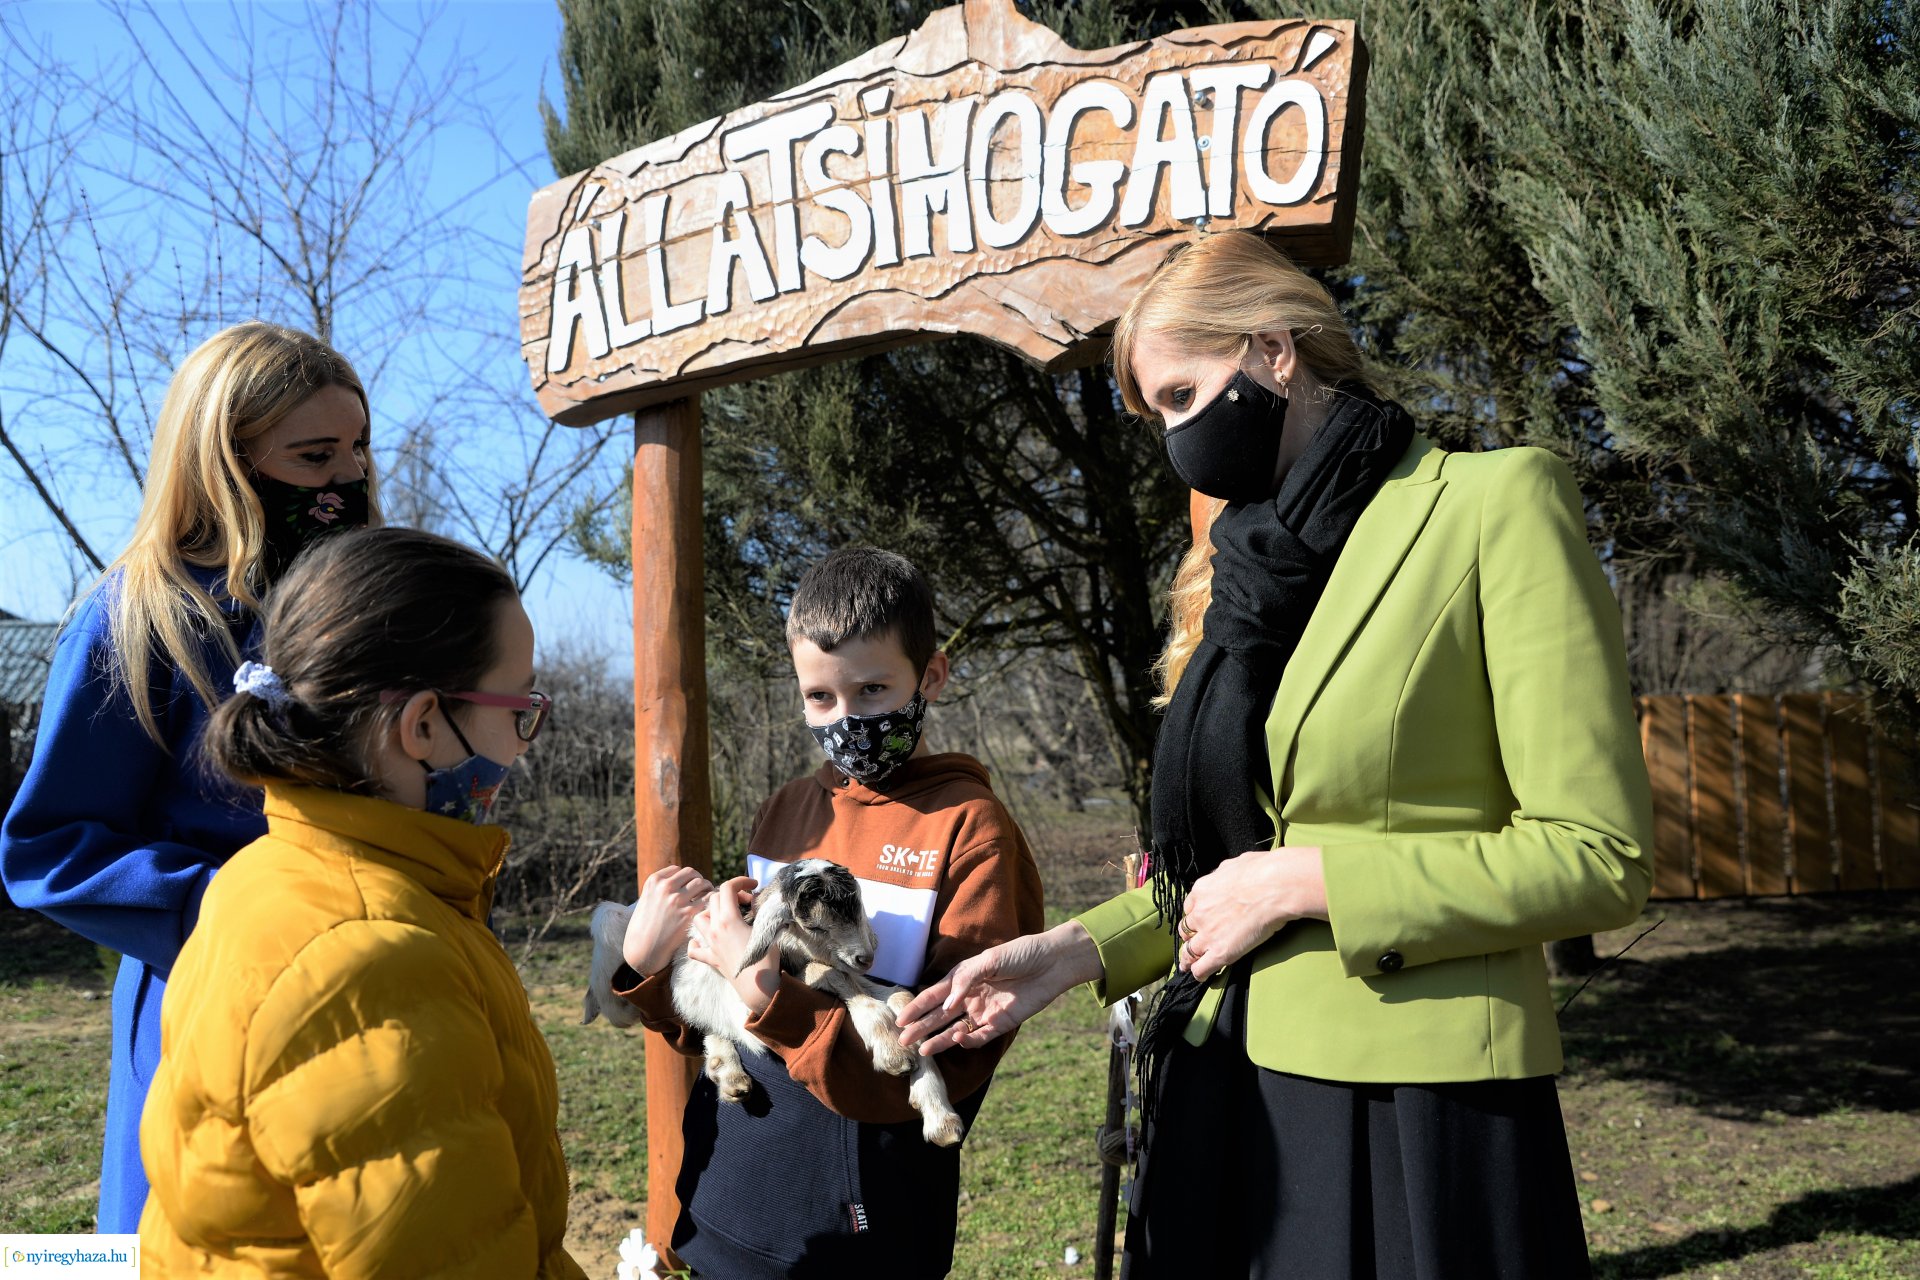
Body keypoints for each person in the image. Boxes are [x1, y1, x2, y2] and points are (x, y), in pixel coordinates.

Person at [899, 231, 1655, 1279]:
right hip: (1220, 1085)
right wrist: (1067, 953)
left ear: (1273, 349)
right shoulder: (1236, 570)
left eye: (1178, 394)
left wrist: (1312, 880)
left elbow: (1597, 853)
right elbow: (1228, 867)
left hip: (1412, 1110)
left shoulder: (1492, 507)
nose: (1172, 438)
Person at [0, 322, 374, 1231]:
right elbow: (47, 849)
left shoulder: (368, 607)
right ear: (223, 460)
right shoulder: (141, 616)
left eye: (360, 448)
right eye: (314, 454)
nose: (348, 478)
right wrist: (243, 915)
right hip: (209, 1003)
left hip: (376, 991)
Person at [137, 526, 583, 1276]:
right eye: (518, 708)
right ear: (422, 726)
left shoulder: (265, 873)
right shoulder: (372, 959)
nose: (524, 741)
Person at [611, 547, 1045, 1279]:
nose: (847, 719)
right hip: (726, 1203)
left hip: (858, 1236)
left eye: (873, 689)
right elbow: (722, 1014)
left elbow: (954, 1055)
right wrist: (649, 971)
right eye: (821, 697)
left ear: (930, 676)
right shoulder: (788, 813)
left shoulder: (972, 829)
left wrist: (769, 1000)